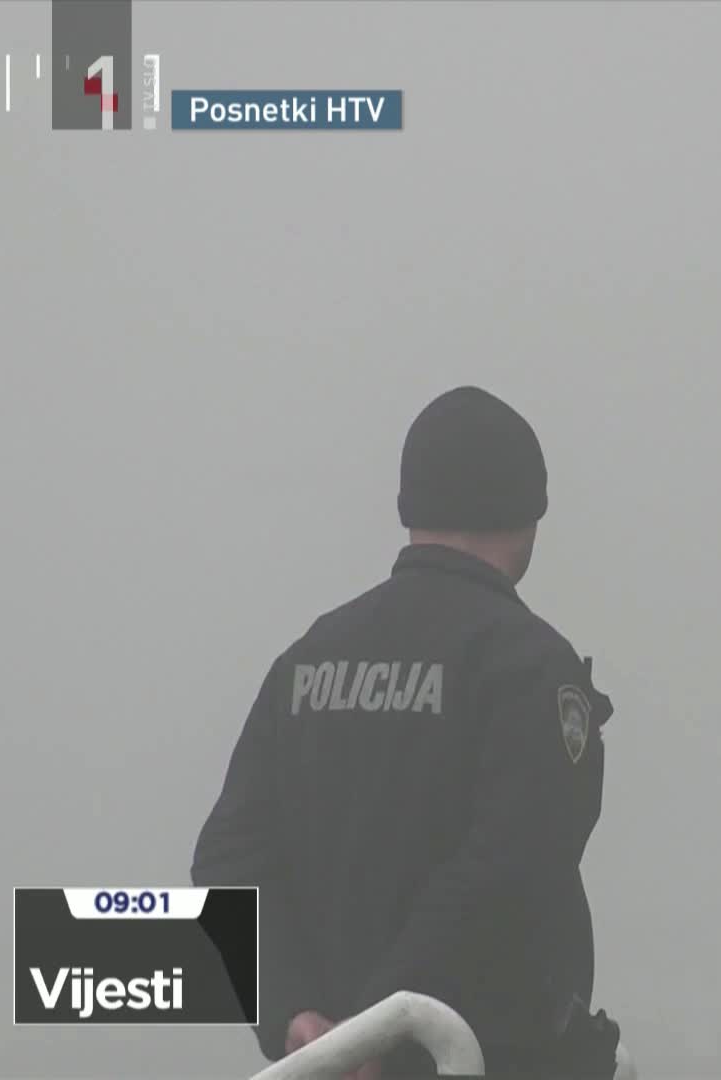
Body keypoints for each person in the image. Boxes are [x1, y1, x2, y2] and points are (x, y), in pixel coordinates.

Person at [190, 385, 625, 1080]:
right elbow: (512, 868)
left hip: (325, 1067)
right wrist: (385, 1023)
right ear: (530, 512)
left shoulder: (308, 659)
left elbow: (228, 862)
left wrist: (296, 1015)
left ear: (408, 506)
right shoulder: (530, 667)